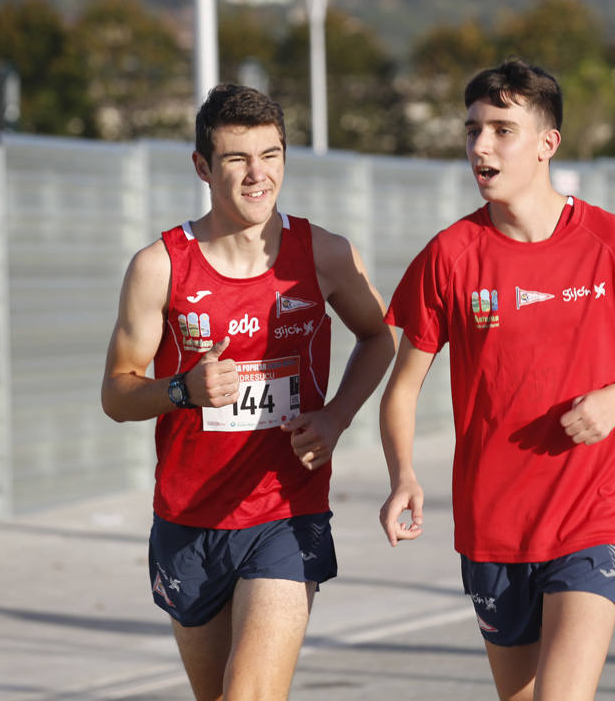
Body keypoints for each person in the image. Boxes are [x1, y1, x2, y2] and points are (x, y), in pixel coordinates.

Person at [378, 58, 615, 701]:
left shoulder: (614, 242)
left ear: (546, 144)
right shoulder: (449, 256)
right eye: (473, 129)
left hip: (594, 514)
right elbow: (403, 387)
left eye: (501, 129)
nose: (481, 146)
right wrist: (403, 474)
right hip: (492, 523)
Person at [101, 83, 395, 700]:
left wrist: (338, 417)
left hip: (285, 513)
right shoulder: (160, 265)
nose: (258, 175)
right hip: (188, 518)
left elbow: (379, 337)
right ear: (203, 167)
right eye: (237, 159)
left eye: (272, 155)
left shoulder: (325, 254)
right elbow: (117, 393)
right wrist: (182, 389)